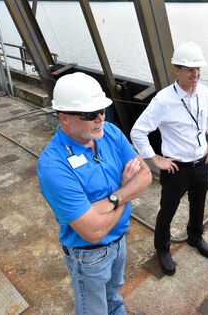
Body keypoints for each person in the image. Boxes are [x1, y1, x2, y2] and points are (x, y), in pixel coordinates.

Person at [37, 72, 152, 315]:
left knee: (114, 294)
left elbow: (145, 176)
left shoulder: (109, 131)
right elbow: (93, 231)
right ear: (64, 118)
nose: (100, 118)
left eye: (102, 109)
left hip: (119, 241)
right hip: (89, 256)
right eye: (90, 114)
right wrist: (124, 193)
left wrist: (109, 201)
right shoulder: (53, 165)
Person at [130, 41, 208, 276]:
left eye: (198, 68)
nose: (195, 74)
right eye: (190, 69)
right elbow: (137, 131)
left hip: (202, 163)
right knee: (167, 209)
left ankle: (195, 237)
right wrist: (155, 160)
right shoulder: (163, 100)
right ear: (176, 71)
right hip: (176, 168)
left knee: (198, 204)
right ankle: (162, 248)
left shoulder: (205, 92)